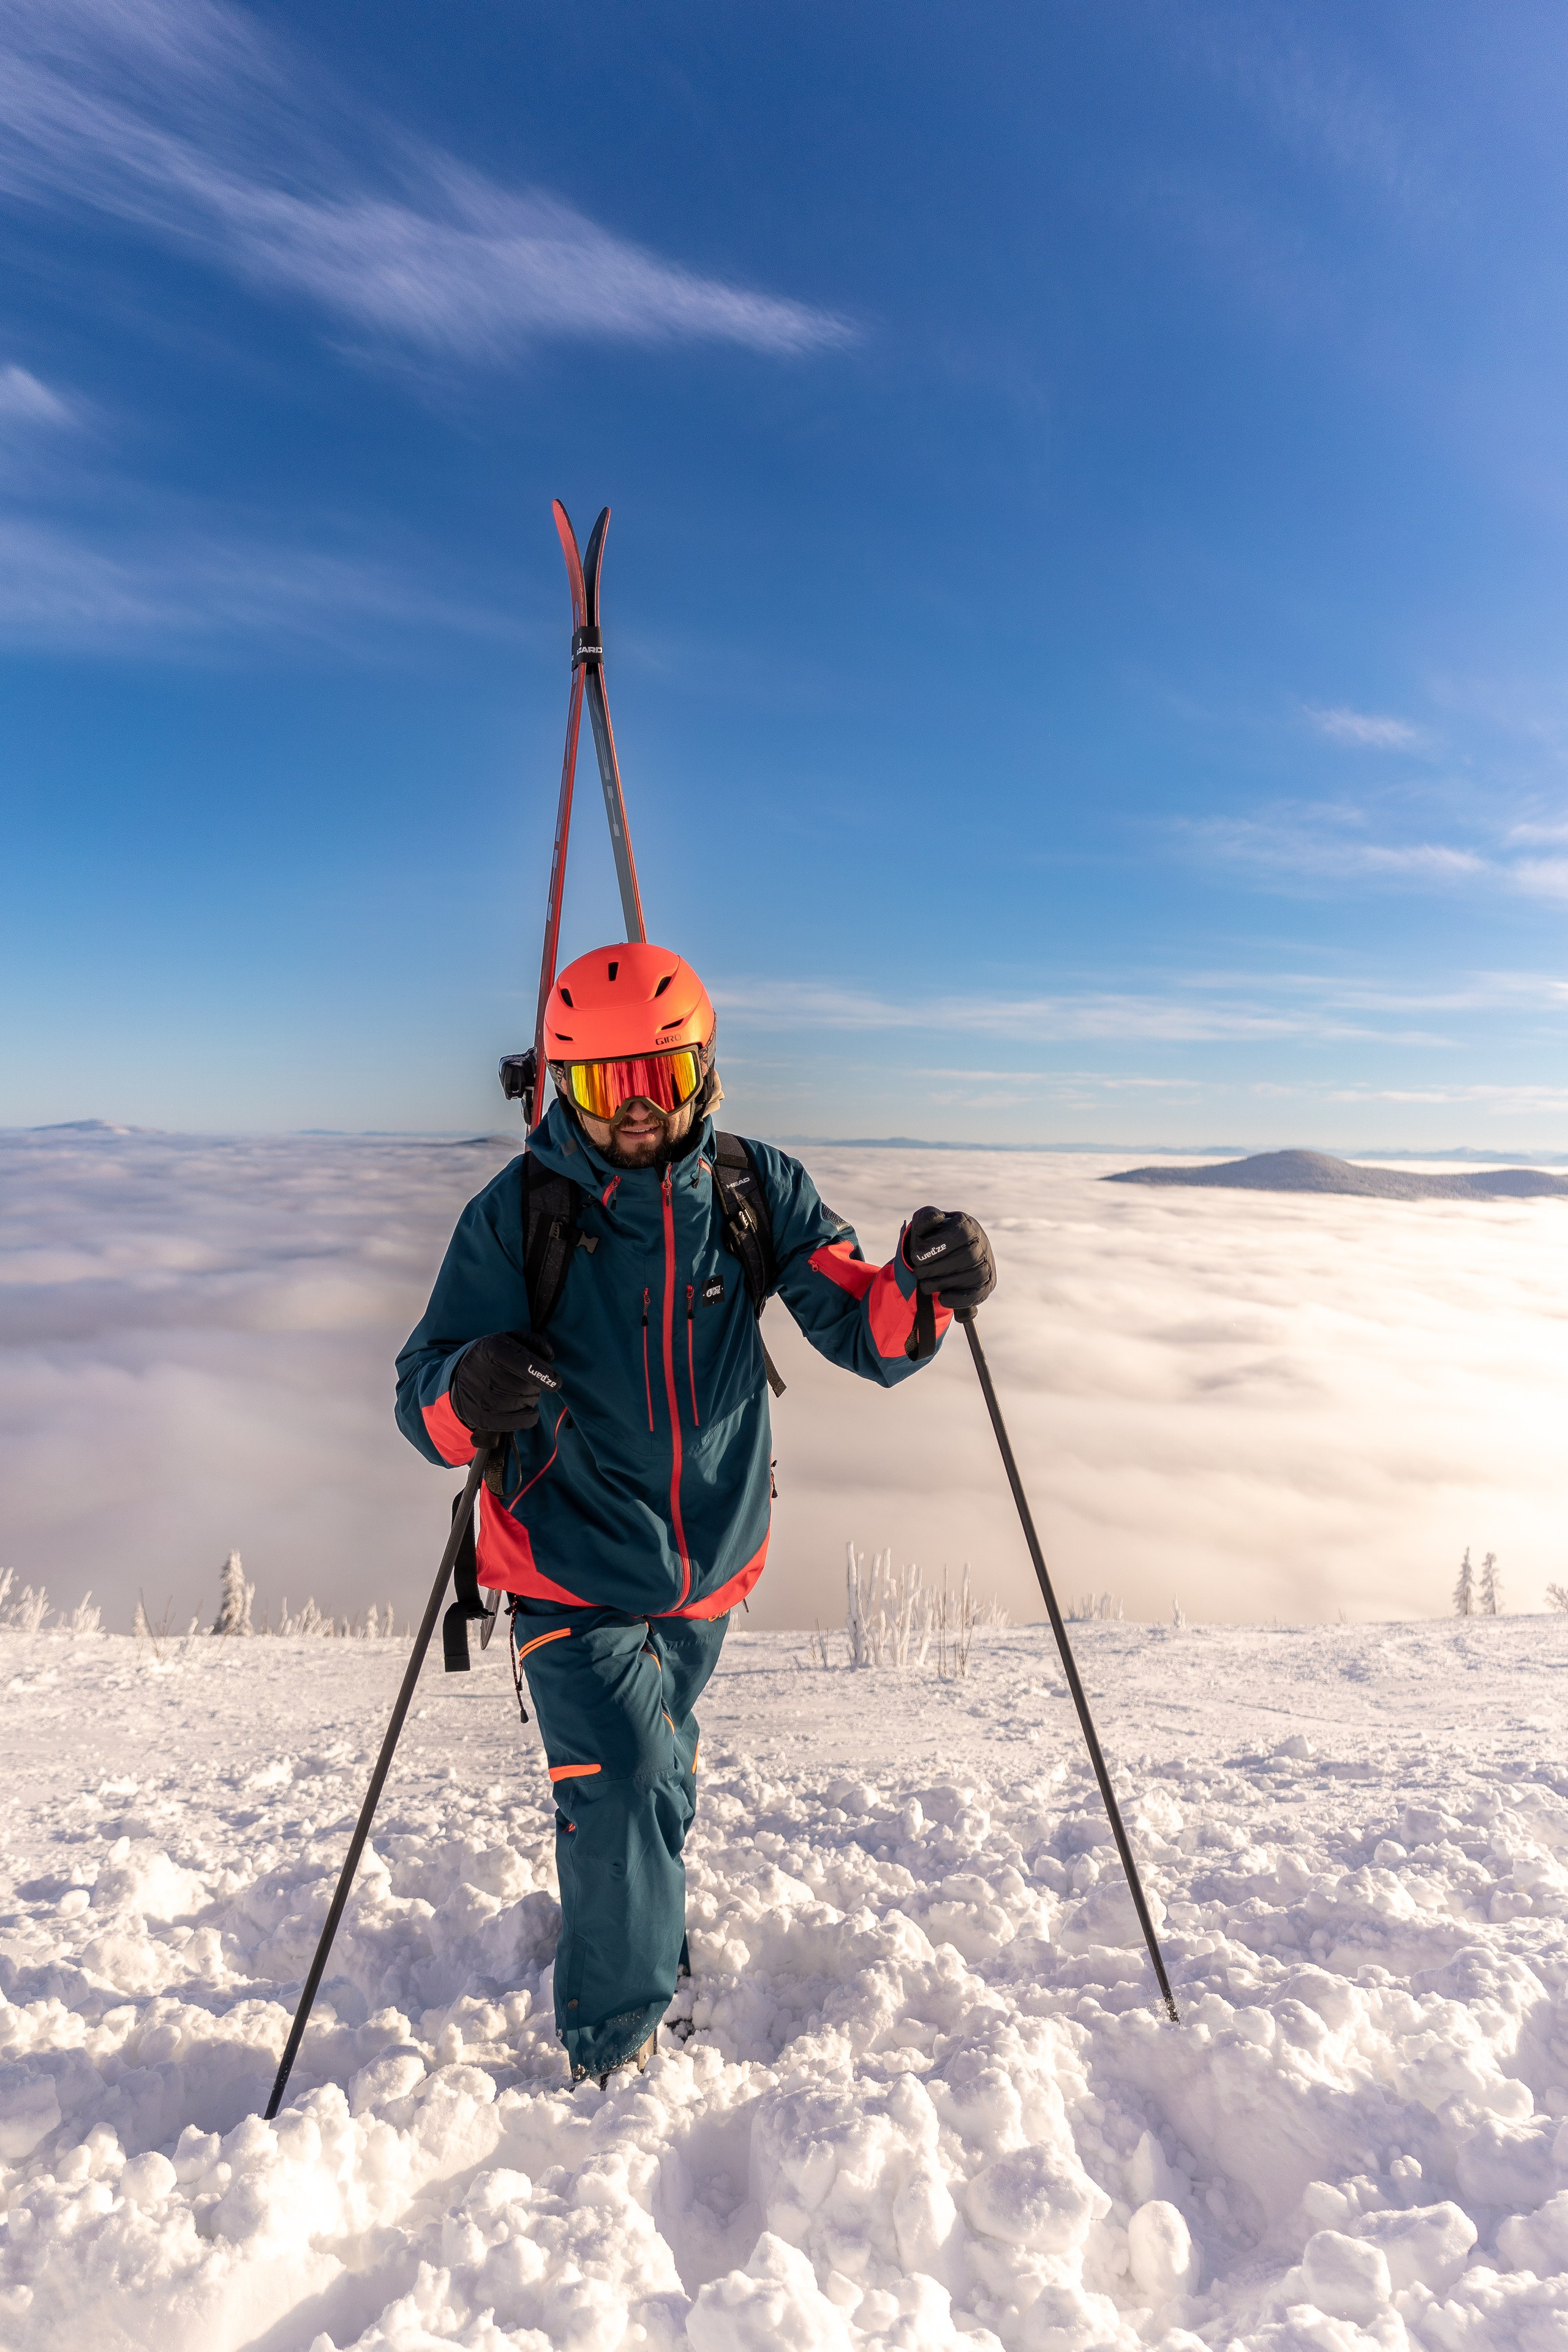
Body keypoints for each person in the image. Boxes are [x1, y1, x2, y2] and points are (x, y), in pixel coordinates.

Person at [395, 942, 995, 2086]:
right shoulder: (520, 1216)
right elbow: (421, 1397)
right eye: (602, 1085)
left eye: (659, 1080)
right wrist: (465, 1388)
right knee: (621, 1778)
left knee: (655, 1771)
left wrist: (930, 1282)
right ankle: (615, 2051)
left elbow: (862, 1324)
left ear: (702, 1071)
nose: (633, 1111)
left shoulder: (750, 1191)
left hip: (710, 1564)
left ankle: (649, 1941)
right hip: (566, 1559)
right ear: (563, 1087)